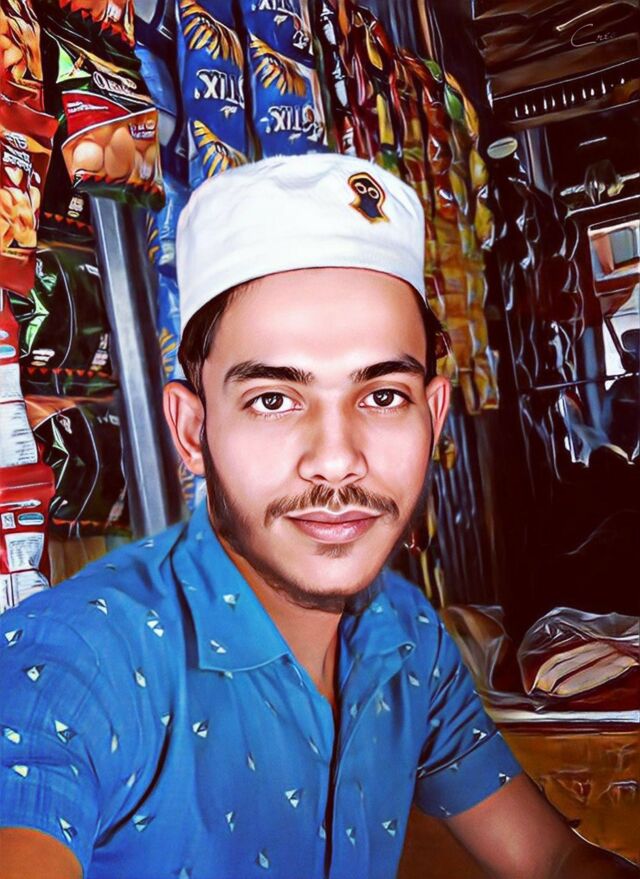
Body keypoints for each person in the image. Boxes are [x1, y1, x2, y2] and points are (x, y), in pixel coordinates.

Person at [0, 154, 637, 879]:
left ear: (433, 417)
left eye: (382, 396)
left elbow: (551, 857)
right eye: (274, 399)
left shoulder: (406, 639)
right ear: (192, 431)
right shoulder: (84, 659)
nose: (336, 460)